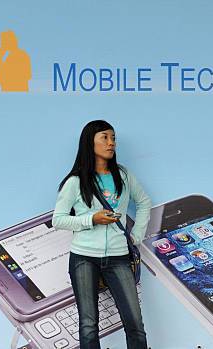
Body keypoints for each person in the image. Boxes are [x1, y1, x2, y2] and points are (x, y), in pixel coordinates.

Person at [52, 120, 151, 349]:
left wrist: (135, 236)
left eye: (113, 138)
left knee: (135, 323)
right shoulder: (76, 181)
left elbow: (144, 202)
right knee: (88, 325)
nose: (111, 143)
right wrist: (92, 219)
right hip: (83, 257)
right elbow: (58, 219)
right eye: (104, 137)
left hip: (118, 256)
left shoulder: (123, 175)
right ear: (90, 142)